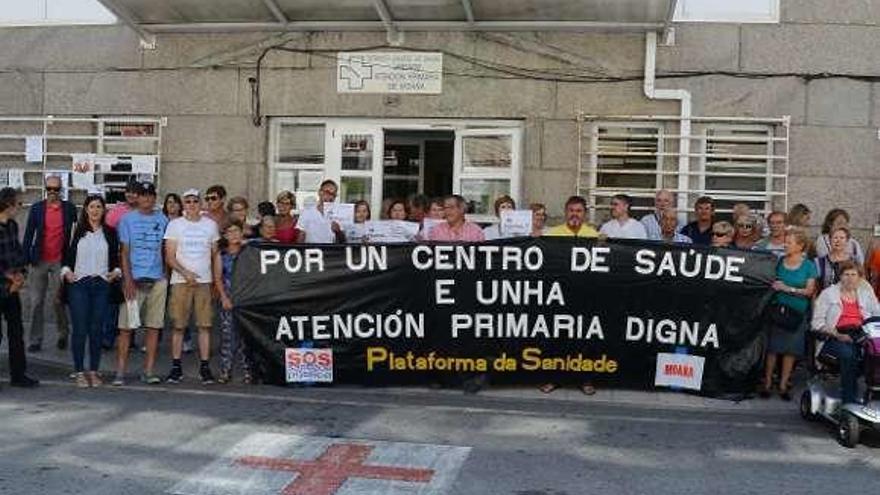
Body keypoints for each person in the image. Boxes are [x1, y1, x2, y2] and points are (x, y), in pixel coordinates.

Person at [61, 195, 121, 388]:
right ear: (85, 209)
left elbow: (116, 260)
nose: (95, 210)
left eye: (99, 207)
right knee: (79, 330)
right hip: (79, 285)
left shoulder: (110, 233)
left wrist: (116, 272)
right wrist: (66, 272)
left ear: (104, 210)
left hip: (102, 285)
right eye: (91, 206)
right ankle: (79, 371)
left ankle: (94, 371)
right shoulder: (75, 231)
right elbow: (65, 259)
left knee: (97, 330)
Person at [543, 195, 599, 396]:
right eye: (571, 210)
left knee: (584, 340)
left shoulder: (593, 235)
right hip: (558, 296)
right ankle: (554, 379)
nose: (575, 214)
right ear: (566, 212)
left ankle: (586, 380)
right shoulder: (552, 234)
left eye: (579, 211)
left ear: (584, 214)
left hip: (585, 297)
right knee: (557, 341)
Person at [163, 189, 220, 385]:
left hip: (204, 281)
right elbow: (169, 256)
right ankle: (176, 366)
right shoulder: (175, 225)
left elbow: (215, 256)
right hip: (181, 281)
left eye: (195, 201)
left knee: (204, 325)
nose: (192, 205)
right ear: (183, 205)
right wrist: (186, 273)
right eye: (188, 201)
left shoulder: (210, 225)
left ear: (200, 203)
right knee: (179, 325)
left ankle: (205, 366)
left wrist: (214, 280)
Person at [114, 181, 168, 386]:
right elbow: (124, 253)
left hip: (157, 280)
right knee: (126, 328)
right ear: (137, 198)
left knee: (153, 327)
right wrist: (127, 280)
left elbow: (165, 248)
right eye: (143, 195)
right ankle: (120, 372)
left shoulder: (163, 220)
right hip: (134, 280)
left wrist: (165, 276)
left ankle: (148, 370)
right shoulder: (127, 220)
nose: (146, 199)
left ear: (154, 197)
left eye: (150, 195)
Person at [812, 261, 880, 405]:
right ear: (840, 276)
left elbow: (877, 316)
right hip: (834, 337)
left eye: (853, 274)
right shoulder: (828, 294)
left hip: (862, 335)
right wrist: (837, 334)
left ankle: (874, 397)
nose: (849, 278)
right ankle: (849, 401)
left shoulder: (866, 294)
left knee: (873, 355)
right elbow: (816, 323)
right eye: (846, 274)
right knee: (850, 354)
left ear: (859, 277)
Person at [761, 228, 818, 401]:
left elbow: (809, 291)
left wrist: (788, 289)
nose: (785, 244)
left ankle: (783, 385)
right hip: (777, 311)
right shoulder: (779, 261)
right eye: (786, 241)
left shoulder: (809, 265)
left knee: (790, 351)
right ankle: (767, 383)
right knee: (772, 349)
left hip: (797, 314)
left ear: (800, 246)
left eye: (790, 242)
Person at [22, 175, 75, 352]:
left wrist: (72, 261)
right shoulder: (37, 208)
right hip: (39, 260)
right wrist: (25, 259)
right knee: (36, 302)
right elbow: (29, 234)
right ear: (45, 189)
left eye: (56, 189)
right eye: (49, 189)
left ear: (61, 190)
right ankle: (35, 339)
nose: (52, 192)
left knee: (58, 300)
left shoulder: (69, 209)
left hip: (60, 259)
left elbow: (74, 235)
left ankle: (63, 334)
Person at [0, 188, 38, 387]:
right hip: (3, 284)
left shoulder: (12, 225)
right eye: (18, 204)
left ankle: (18, 375)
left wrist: (21, 273)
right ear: (8, 204)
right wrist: (9, 278)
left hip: (12, 287)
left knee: (16, 331)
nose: (19, 207)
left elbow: (17, 252)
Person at [215, 219, 253, 385]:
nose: (234, 235)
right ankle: (225, 370)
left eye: (237, 231)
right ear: (224, 235)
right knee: (228, 336)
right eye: (230, 232)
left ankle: (248, 371)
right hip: (229, 297)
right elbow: (218, 278)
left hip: (246, 298)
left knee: (247, 337)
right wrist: (223, 297)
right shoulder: (221, 255)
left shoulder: (248, 251)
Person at [299, 180, 346, 244]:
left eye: (333, 194)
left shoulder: (339, 212)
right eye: (327, 192)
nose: (330, 196)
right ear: (319, 192)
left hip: (331, 252)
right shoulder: (307, 211)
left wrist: (338, 231)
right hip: (311, 251)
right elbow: (301, 236)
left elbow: (344, 240)